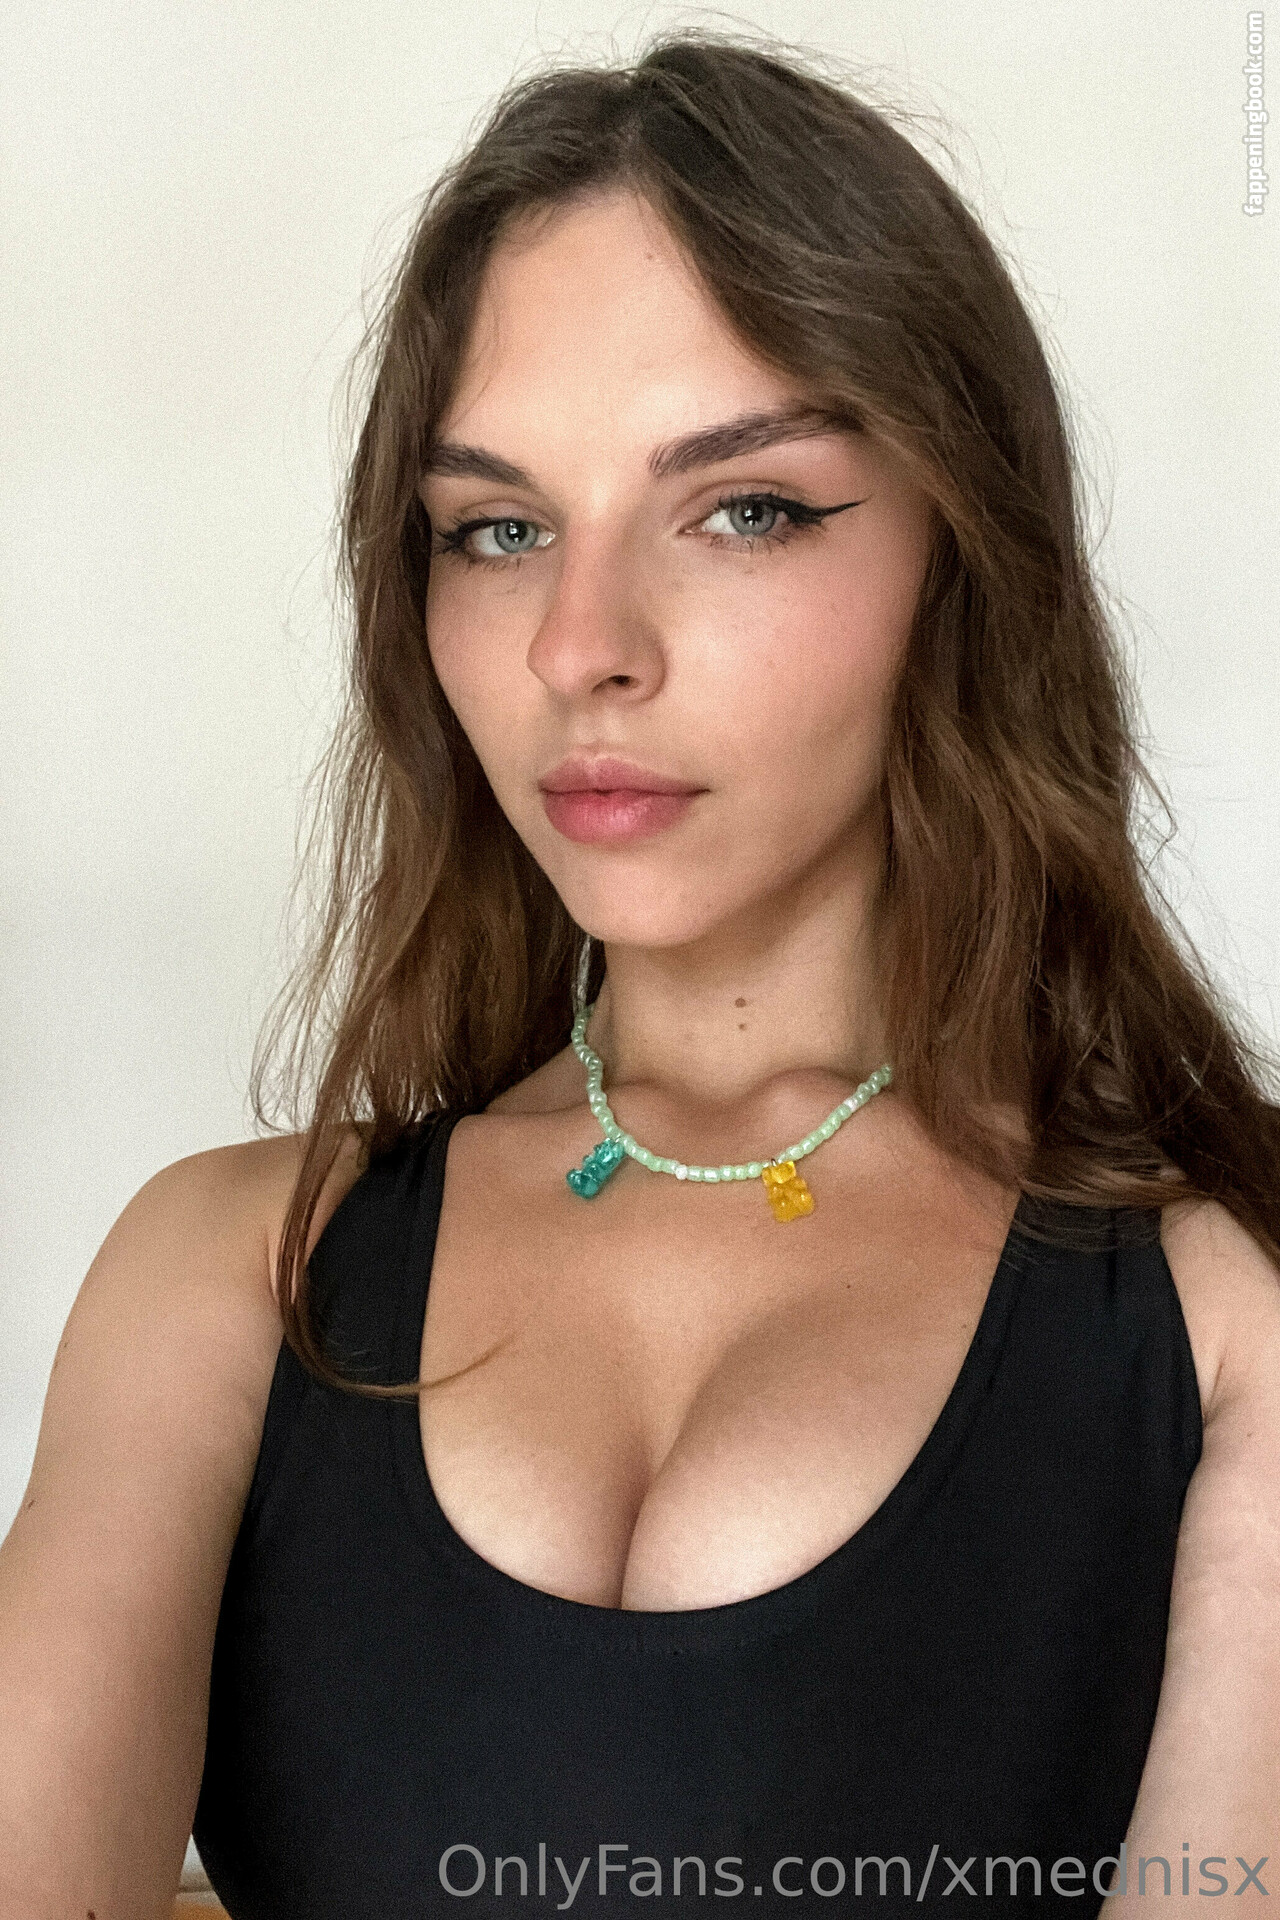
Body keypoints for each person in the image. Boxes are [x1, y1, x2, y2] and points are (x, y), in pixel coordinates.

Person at [2, 32, 1278, 1920]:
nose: (578, 645)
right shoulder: (227, 1276)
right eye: (499, 531)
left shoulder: (1224, 1305)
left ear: (967, 549)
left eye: (743, 506)